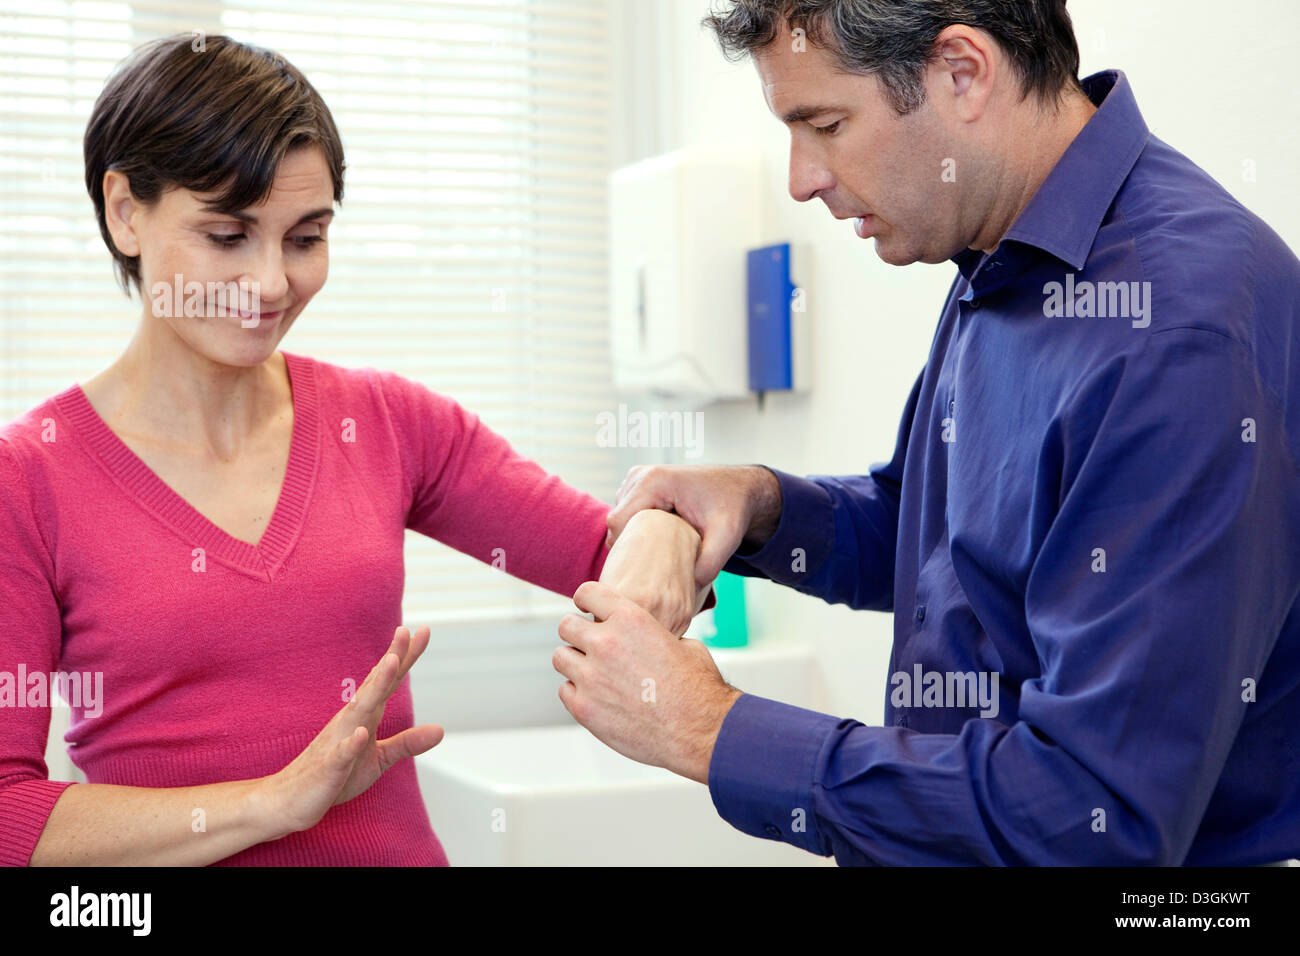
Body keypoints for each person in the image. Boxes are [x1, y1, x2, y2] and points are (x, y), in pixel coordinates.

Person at [558, 0, 1300, 865]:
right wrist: (760, 506)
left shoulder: (1178, 335)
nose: (801, 179)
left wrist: (713, 730)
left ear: (962, 72)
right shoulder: (1004, 254)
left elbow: (1092, 819)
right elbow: (945, 544)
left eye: (826, 123)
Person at [0, 34, 705, 867]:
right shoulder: (31, 478)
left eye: (305, 238)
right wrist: (271, 804)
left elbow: (616, 555)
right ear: (125, 211)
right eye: (228, 235)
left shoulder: (387, 424)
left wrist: (661, 526)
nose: (270, 284)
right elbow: (10, 816)